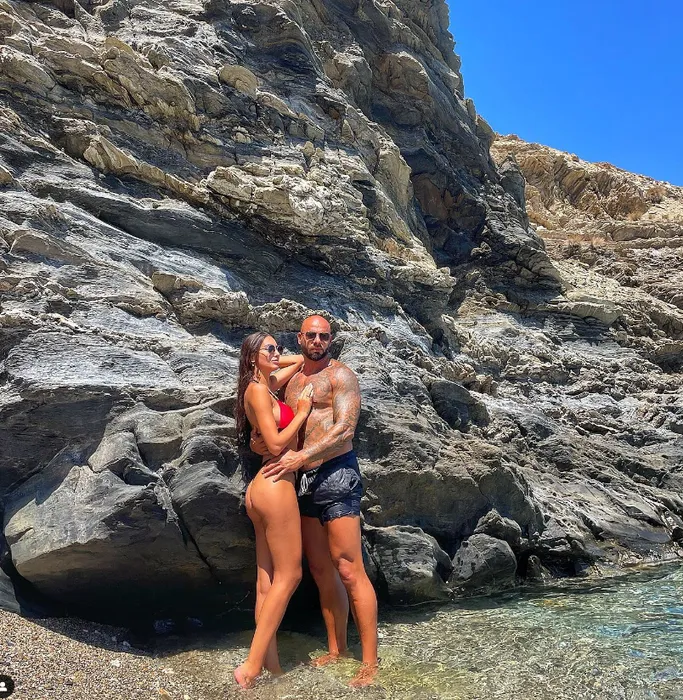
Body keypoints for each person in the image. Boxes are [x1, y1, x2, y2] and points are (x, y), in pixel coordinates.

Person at [260, 315, 379, 688]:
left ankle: (370, 663)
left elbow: (345, 428)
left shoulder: (341, 376)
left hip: (337, 473)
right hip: (303, 480)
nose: (317, 341)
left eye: (323, 336)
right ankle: (337, 649)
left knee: (349, 569)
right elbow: (264, 389)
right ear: (300, 338)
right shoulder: (293, 380)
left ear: (331, 340)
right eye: (310, 335)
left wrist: (300, 456)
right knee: (320, 568)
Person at [233, 332, 314, 689]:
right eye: (270, 349)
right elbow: (278, 443)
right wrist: (302, 413)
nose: (278, 353)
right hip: (276, 485)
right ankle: (250, 667)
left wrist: (277, 358)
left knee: (266, 583)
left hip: (263, 487)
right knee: (291, 575)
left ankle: (272, 665)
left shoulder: (266, 385)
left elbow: (299, 360)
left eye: (278, 347)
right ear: (253, 357)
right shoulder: (256, 390)